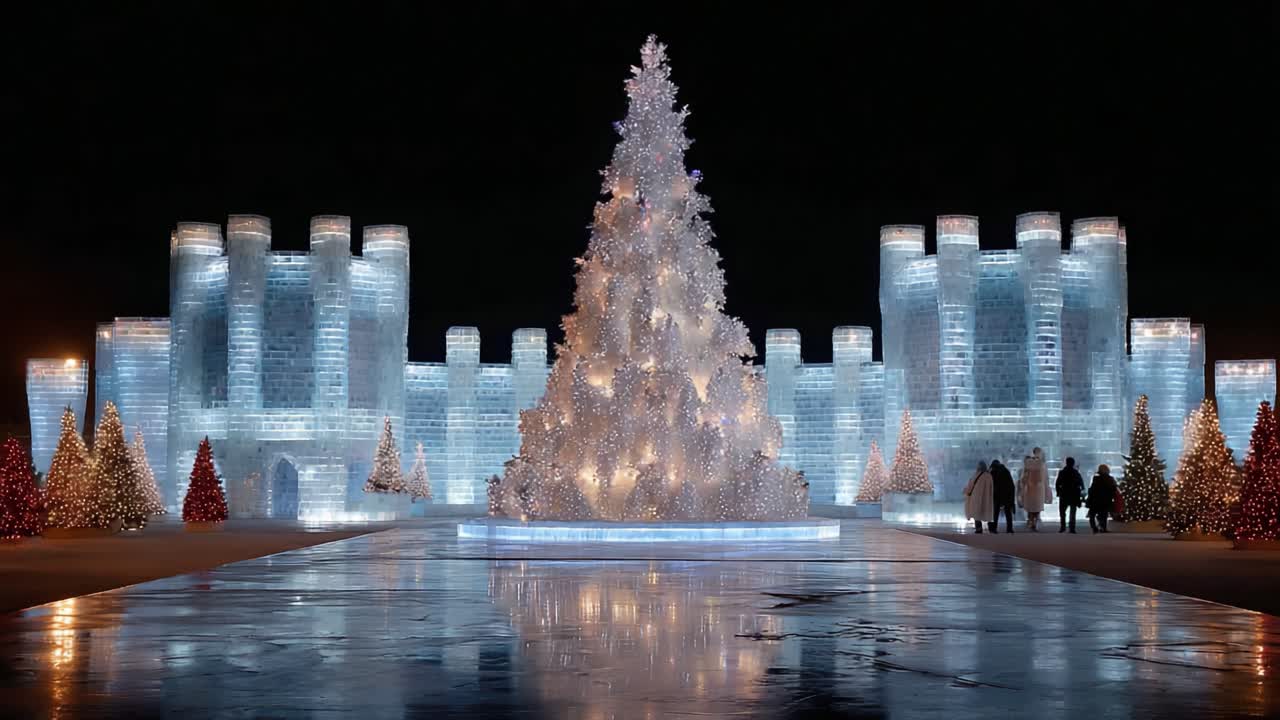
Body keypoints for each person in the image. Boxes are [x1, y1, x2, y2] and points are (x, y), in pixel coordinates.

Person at [1017, 447, 1052, 531]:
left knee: (1031, 507)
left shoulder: (1028, 462)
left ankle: (1031, 521)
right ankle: (1034, 522)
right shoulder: (1042, 463)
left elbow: (1024, 476)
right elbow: (1045, 478)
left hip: (1030, 488)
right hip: (1039, 488)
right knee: (1037, 507)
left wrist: (1022, 485)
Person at [1055, 457, 1085, 533]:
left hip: (1064, 493)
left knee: (1062, 512)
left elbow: (1058, 483)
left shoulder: (1062, 472)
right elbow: (1081, 483)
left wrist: (1058, 492)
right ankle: (1072, 528)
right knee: (1073, 511)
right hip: (1074, 493)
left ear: (1066, 463)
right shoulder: (1076, 472)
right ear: (1073, 463)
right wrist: (1081, 491)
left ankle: (1063, 527)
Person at [964, 461, 995, 534]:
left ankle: (979, 528)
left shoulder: (976, 475)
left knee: (976, 512)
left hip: (976, 497)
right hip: (987, 498)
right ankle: (991, 528)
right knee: (987, 512)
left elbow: (970, 486)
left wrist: (966, 491)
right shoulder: (989, 476)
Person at [1086, 464, 1118, 533]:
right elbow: (1113, 489)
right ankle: (1103, 527)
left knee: (1092, 514)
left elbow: (1092, 489)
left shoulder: (1096, 478)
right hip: (1105, 500)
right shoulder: (1110, 478)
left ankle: (1094, 527)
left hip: (1095, 499)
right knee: (1103, 514)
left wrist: (1090, 497)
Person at [990, 459, 1016, 534]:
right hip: (1007, 495)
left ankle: (994, 528)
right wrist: (1012, 497)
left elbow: (992, 485)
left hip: (997, 495)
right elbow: (1011, 485)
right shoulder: (1006, 471)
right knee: (1008, 512)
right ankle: (1009, 528)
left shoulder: (993, 472)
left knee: (995, 512)